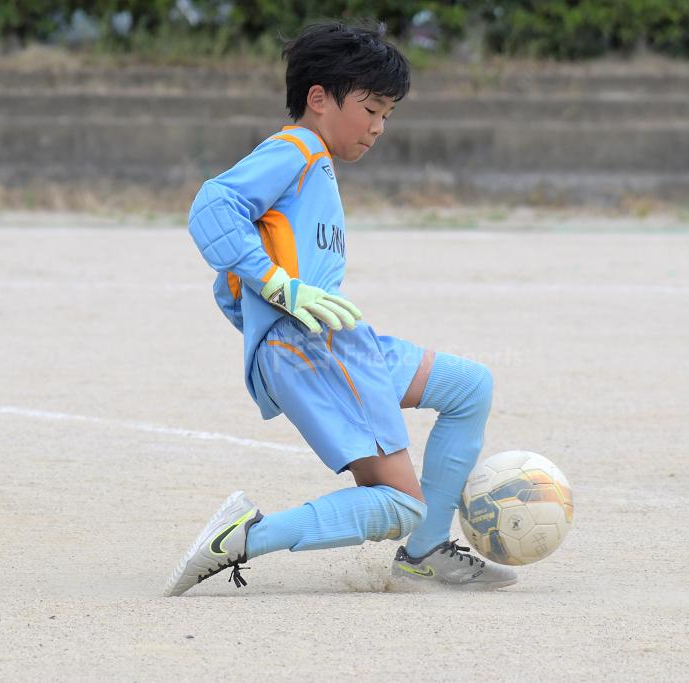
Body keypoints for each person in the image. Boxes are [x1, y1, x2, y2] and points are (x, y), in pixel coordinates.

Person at [163, 22, 516, 595]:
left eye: (387, 115)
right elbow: (212, 206)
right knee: (400, 502)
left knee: (470, 387)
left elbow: (228, 288)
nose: (378, 127)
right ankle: (246, 536)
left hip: (342, 341)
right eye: (371, 109)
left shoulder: (316, 163)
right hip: (313, 350)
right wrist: (279, 293)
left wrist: (264, 304)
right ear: (319, 98)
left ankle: (426, 552)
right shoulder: (295, 150)